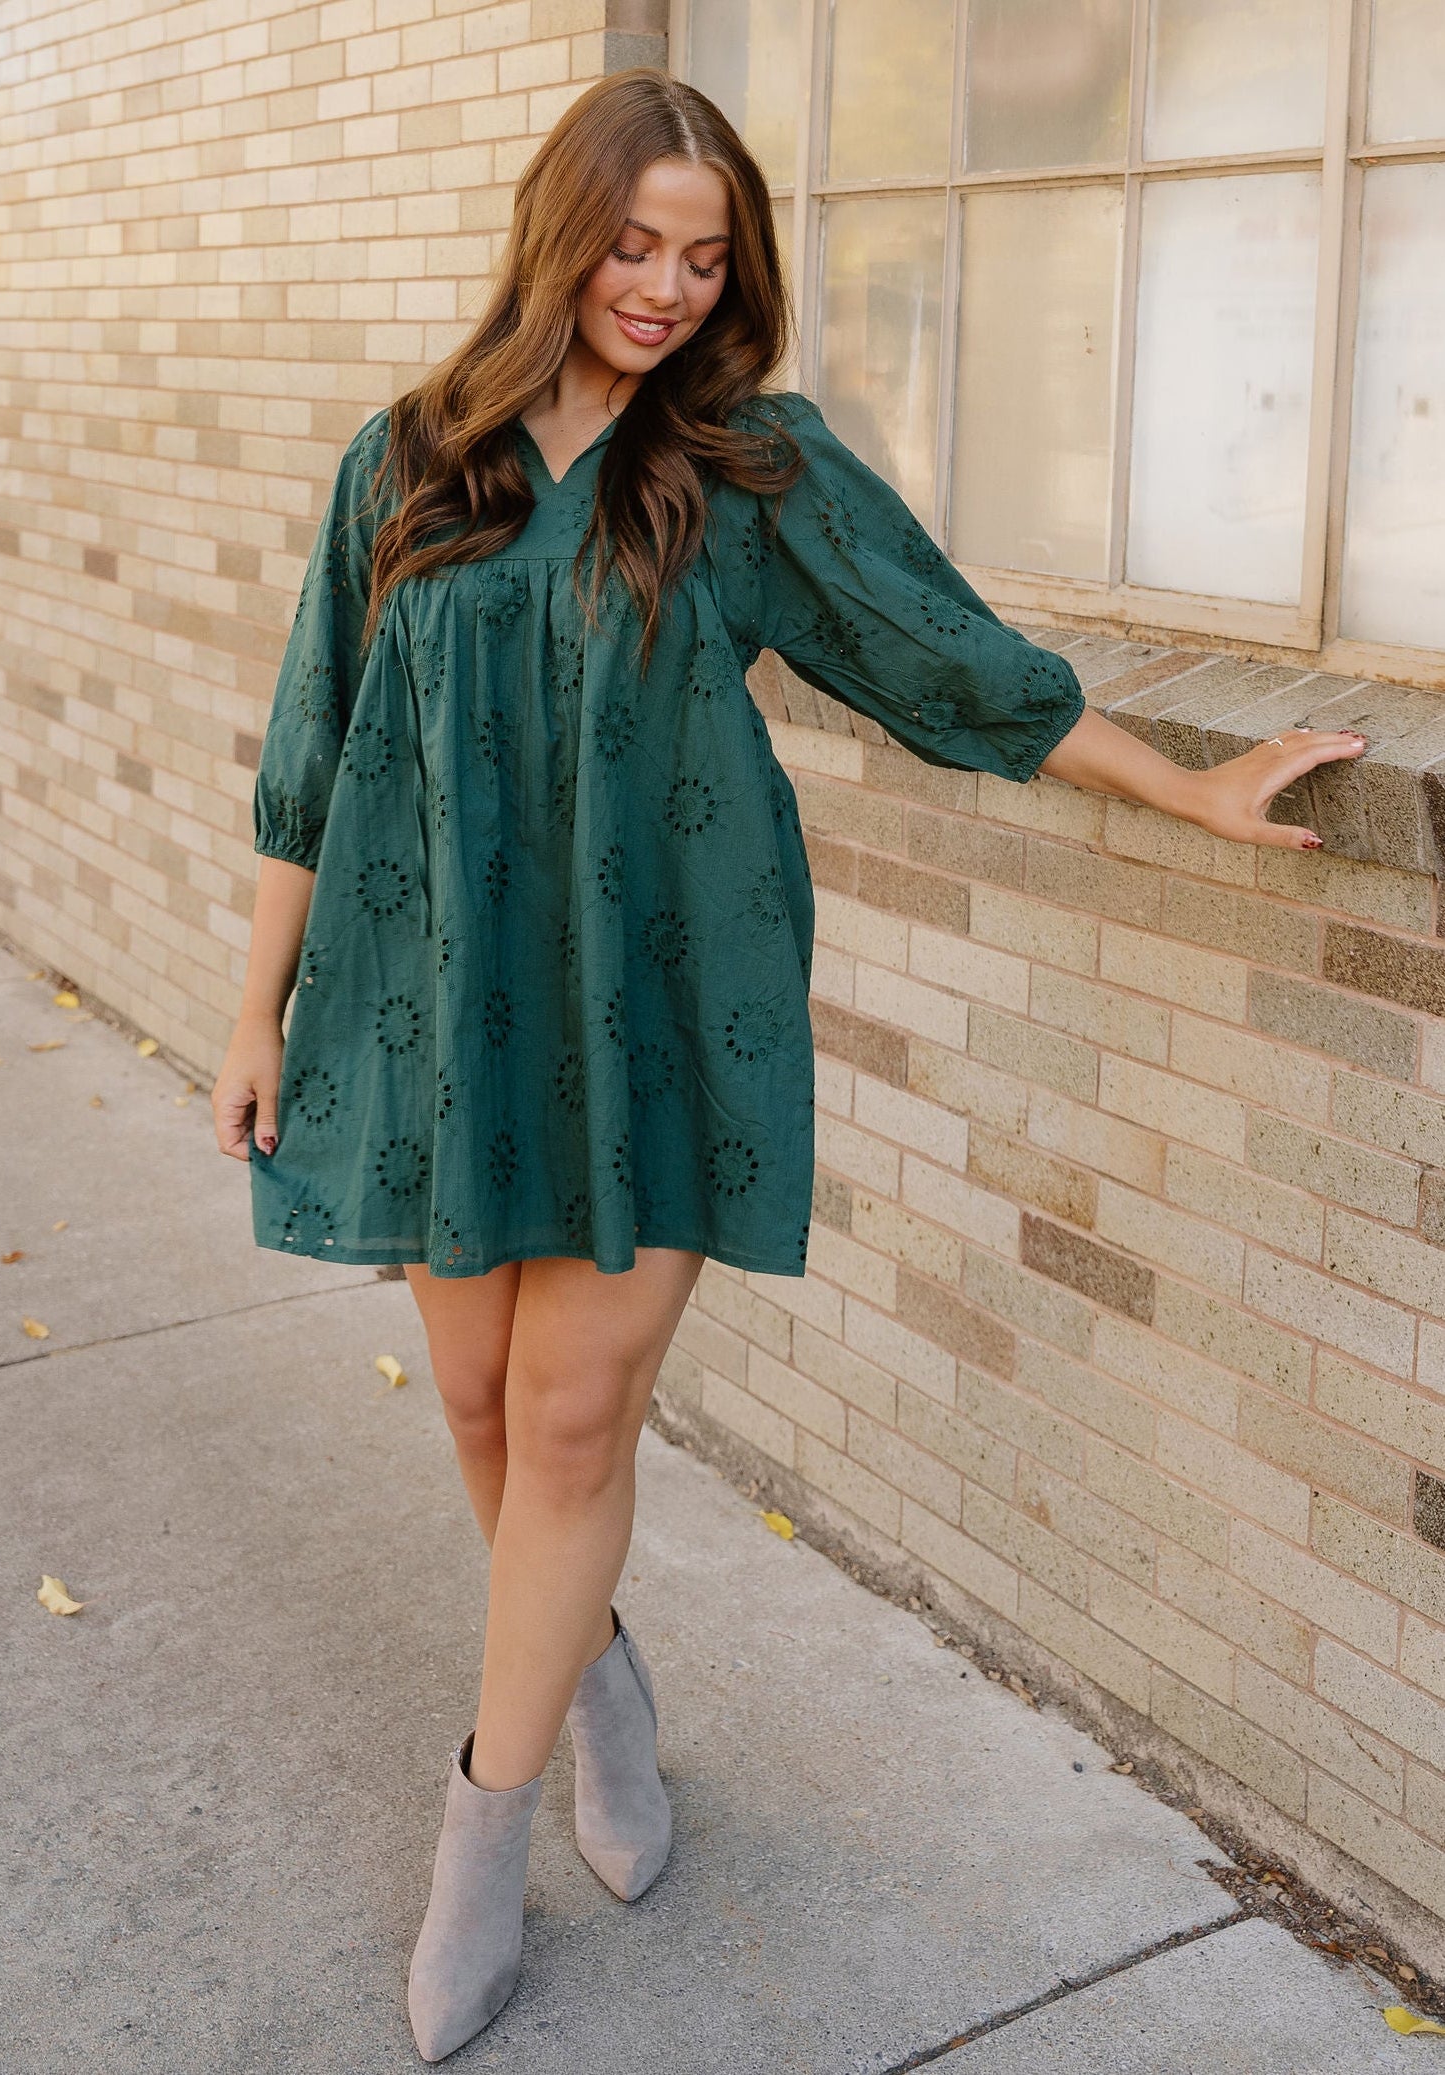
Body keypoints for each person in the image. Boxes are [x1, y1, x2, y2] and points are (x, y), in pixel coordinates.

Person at [210, 66, 1365, 2064]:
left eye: (702, 255)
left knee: (573, 1416)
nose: (664, 288)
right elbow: (312, 750)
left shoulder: (747, 469)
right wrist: (256, 1009)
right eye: (631, 246)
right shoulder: (408, 457)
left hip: (659, 1006)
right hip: (436, 1003)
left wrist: (1187, 787)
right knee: (480, 1403)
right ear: (557, 237)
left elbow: (948, 662)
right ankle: (594, 1686)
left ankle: (479, 1838)